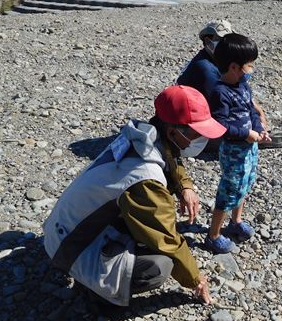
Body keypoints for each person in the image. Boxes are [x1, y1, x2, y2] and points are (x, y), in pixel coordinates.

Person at [43, 86, 226, 307]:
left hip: (61, 228)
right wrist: (194, 278)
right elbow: (166, 239)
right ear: (173, 132)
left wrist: (185, 186)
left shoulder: (141, 135)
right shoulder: (145, 178)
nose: (202, 139)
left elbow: (170, 158)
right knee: (160, 266)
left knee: (146, 230)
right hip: (68, 248)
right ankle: (98, 292)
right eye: (197, 134)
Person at [204, 34, 271, 254]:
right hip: (234, 151)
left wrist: (259, 130)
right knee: (229, 190)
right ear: (234, 67)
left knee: (245, 184)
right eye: (249, 66)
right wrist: (245, 133)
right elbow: (220, 125)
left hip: (249, 148)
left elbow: (251, 111)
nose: (251, 70)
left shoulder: (243, 87)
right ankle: (213, 235)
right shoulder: (220, 92)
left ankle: (236, 222)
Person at [176, 20, 268, 131]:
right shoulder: (206, 70)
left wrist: (258, 112)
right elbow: (225, 103)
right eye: (221, 40)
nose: (227, 44)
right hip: (186, 125)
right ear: (208, 42)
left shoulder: (217, 60)